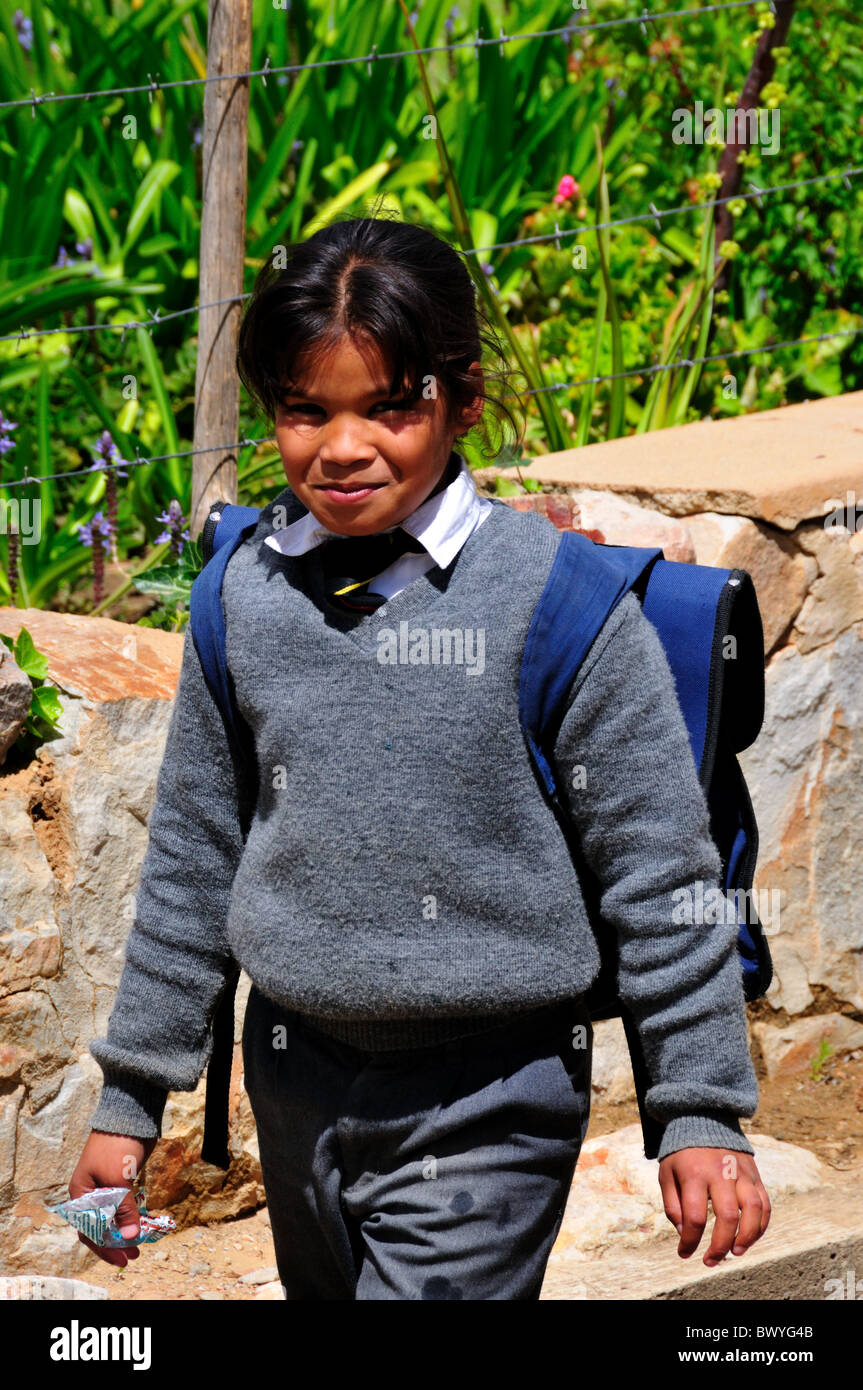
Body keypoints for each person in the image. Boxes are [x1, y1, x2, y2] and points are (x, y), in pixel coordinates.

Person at [69, 212, 770, 1300]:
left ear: (462, 399)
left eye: (387, 406)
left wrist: (697, 1104)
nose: (341, 446)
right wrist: (130, 1099)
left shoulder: (560, 607)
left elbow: (660, 875)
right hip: (293, 1078)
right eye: (306, 410)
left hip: (490, 1095)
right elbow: (193, 862)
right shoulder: (240, 599)